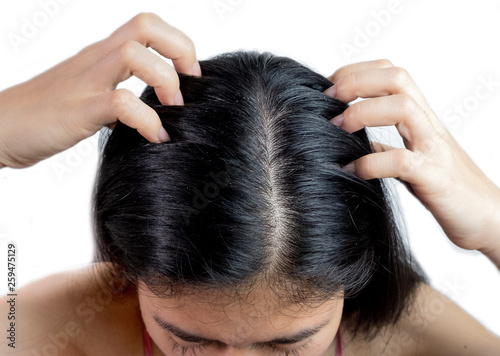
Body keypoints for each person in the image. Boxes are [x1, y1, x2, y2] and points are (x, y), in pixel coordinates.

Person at [1, 12, 499, 356]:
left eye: (288, 345)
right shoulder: (52, 332)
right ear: (131, 270)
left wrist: (493, 225)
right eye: (189, 340)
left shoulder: (411, 340)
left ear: (353, 280)